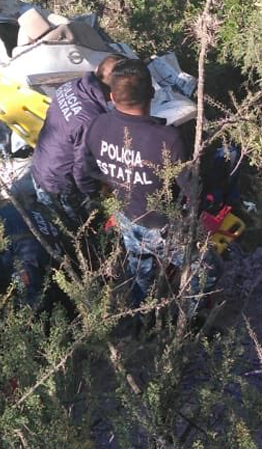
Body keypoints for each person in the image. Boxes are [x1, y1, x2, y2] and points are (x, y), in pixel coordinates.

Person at [81, 59, 216, 308]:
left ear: (112, 96)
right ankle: (188, 320)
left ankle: (140, 314)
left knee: (140, 271)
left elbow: (86, 169)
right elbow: (192, 189)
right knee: (206, 269)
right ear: (152, 94)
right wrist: (193, 216)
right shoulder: (167, 138)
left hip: (126, 218)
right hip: (162, 226)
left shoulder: (97, 125)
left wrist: (113, 184)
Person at [31, 54, 125, 228]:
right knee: (77, 230)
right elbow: (83, 171)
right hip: (59, 186)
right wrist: (97, 196)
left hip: (40, 165)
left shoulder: (71, 86)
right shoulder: (90, 120)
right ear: (113, 94)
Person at [0, 202, 63, 311]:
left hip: (44, 262)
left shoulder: (24, 256)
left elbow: (34, 303)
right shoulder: (5, 212)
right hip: (52, 244)